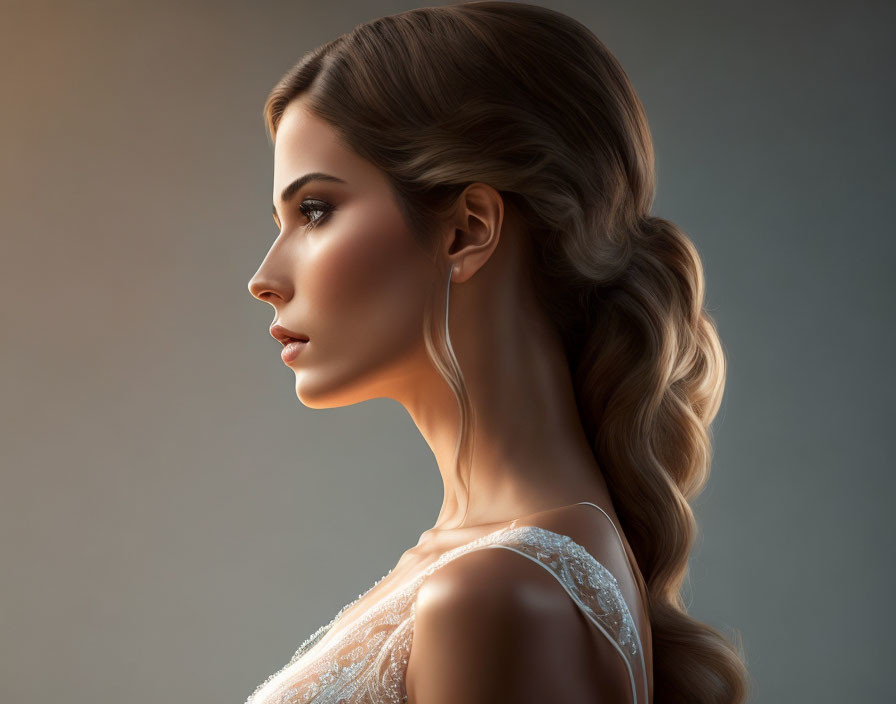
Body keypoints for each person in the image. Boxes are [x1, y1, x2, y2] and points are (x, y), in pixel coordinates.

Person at [246, 2, 749, 702]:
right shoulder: (498, 569)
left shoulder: (493, 596)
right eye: (283, 220)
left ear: (467, 230)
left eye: (316, 211)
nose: (263, 279)